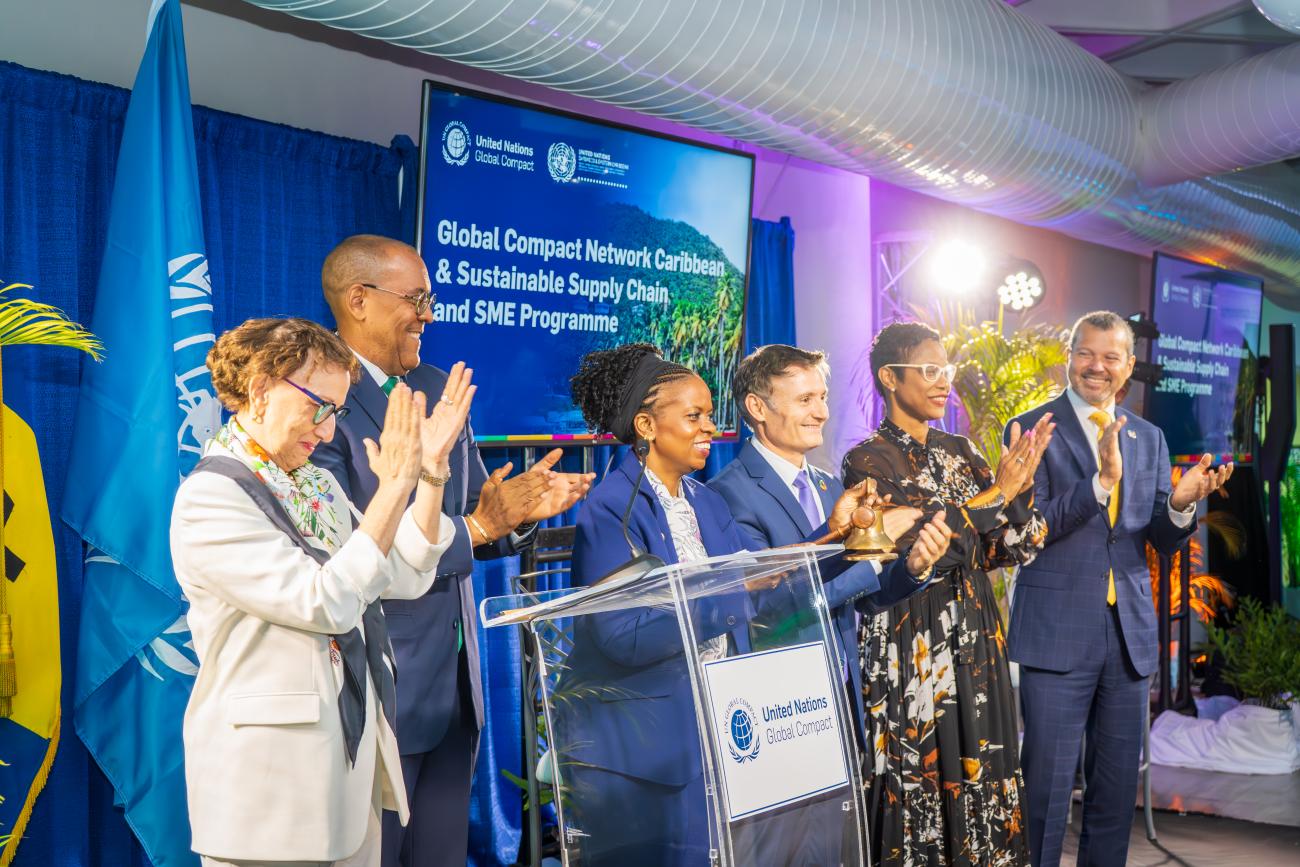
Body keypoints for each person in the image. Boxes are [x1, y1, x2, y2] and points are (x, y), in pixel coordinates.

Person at [561, 343, 953, 866]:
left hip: (728, 724)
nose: (709, 429)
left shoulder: (705, 501)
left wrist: (833, 538)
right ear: (648, 426)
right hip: (658, 741)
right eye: (694, 416)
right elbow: (620, 635)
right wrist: (731, 595)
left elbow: (767, 584)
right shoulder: (611, 507)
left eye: (710, 416)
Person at [311, 235, 593, 867]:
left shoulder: (440, 385)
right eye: (416, 298)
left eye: (430, 298)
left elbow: (467, 521)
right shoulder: (319, 402)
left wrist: (515, 515)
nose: (429, 314)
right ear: (359, 300)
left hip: (456, 687)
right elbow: (347, 553)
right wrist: (482, 526)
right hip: (378, 692)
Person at [171, 317, 476, 866]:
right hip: (273, 790)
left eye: (336, 411)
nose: (328, 430)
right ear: (262, 388)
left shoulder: (314, 483)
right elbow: (327, 601)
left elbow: (403, 571)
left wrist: (430, 475)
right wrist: (394, 487)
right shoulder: (210, 496)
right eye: (319, 405)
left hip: (347, 772)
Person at [1008, 311, 1232, 867]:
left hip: (1127, 639)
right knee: (1045, 795)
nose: (1097, 367)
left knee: (1112, 799)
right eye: (1087, 353)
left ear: (1129, 365)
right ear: (1069, 355)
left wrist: (1180, 504)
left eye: (1111, 357)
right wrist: (1099, 483)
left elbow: (1157, 536)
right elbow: (1027, 529)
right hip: (1057, 636)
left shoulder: (1148, 438)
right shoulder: (1030, 429)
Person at [842, 321, 1054, 867]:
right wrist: (995, 498)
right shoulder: (867, 461)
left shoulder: (961, 450)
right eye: (930, 371)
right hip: (912, 646)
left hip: (976, 643)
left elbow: (1012, 547)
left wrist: (1020, 496)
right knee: (922, 782)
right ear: (890, 377)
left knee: (985, 770)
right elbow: (922, 550)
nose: (944, 383)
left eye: (948, 371)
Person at [708, 343, 936, 747]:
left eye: (823, 398)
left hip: (842, 687)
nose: (822, 413)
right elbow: (769, 604)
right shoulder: (727, 494)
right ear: (757, 409)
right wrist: (870, 566)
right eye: (805, 399)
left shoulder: (829, 484)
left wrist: (911, 567)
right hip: (782, 703)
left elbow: (862, 599)